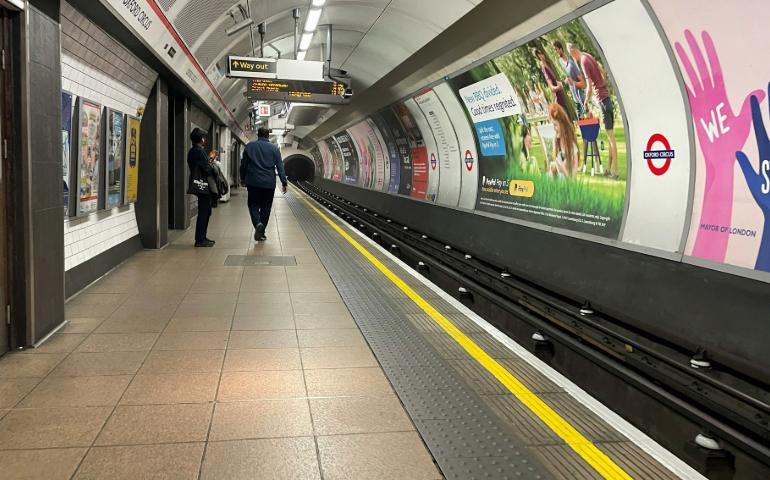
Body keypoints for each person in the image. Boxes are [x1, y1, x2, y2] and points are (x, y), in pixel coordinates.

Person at [569, 42, 619, 179]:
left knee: (611, 138)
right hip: (607, 100)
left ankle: (615, 172)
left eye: (571, 54)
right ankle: (608, 169)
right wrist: (604, 75)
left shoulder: (583, 62)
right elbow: (600, 67)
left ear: (573, 52)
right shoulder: (588, 55)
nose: (572, 58)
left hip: (602, 101)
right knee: (610, 137)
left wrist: (586, 101)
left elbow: (589, 86)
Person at [240, 127, 287, 241]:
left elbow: (244, 165)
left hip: (253, 182)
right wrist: (284, 182)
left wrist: (242, 178)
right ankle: (261, 231)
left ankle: (257, 224)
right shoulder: (275, 148)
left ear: (258, 135)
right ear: (268, 135)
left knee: (253, 205)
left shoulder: (250, 146)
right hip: (268, 183)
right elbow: (280, 167)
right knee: (266, 207)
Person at [187, 127, 216, 247]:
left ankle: (202, 237)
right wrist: (211, 160)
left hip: (199, 184)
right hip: (203, 185)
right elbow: (207, 169)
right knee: (204, 212)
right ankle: (200, 240)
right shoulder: (199, 151)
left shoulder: (192, 151)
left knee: (205, 211)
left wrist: (208, 158)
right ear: (202, 139)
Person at [532, 46, 573, 121]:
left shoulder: (548, 66)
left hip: (561, 100)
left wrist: (565, 81)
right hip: (559, 102)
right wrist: (563, 83)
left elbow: (557, 83)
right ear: (539, 56)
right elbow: (552, 88)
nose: (543, 55)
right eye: (541, 54)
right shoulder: (545, 69)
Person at [553, 40, 585, 119]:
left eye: (556, 49)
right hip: (575, 99)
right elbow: (568, 79)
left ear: (561, 49)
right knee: (581, 124)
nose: (555, 52)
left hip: (581, 99)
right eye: (554, 50)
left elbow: (583, 84)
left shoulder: (572, 64)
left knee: (587, 126)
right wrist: (563, 82)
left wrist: (573, 82)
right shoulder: (561, 62)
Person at [548, 103, 579, 179]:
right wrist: (553, 169)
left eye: (555, 125)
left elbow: (572, 183)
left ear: (562, 125)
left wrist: (563, 170)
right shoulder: (556, 144)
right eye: (552, 125)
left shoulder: (572, 148)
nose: (554, 129)